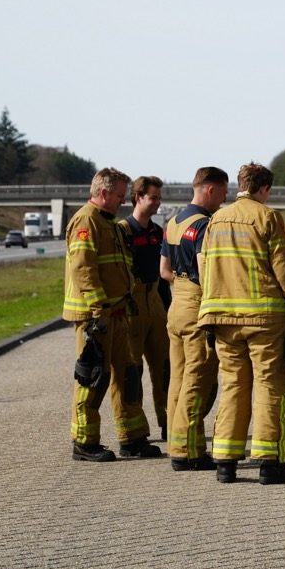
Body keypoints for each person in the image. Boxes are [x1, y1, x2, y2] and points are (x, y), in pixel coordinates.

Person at [197, 163, 285, 485]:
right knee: (270, 385)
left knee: (233, 385)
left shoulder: (215, 220)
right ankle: (269, 462)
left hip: (222, 319)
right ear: (264, 189)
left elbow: (205, 266)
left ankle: (225, 462)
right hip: (263, 318)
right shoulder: (268, 217)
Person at [64, 167, 161, 462]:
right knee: (94, 377)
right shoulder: (86, 221)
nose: (123, 201)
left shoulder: (109, 224)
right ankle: (84, 441)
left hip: (117, 313)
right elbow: (84, 269)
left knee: (128, 375)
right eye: (119, 195)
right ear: (104, 193)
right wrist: (98, 310)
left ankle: (132, 438)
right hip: (97, 317)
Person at [159, 166, 229, 472]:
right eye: (224, 194)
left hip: (176, 306)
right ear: (210, 190)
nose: (223, 201)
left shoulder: (173, 221)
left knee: (178, 381)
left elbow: (163, 270)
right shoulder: (205, 224)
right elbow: (207, 272)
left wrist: (182, 284)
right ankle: (187, 452)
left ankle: (180, 445)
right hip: (198, 306)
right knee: (198, 383)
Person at [119, 175, 170, 442]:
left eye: (160, 198)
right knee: (132, 371)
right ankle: (133, 432)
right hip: (133, 305)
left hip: (156, 303)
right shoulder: (123, 231)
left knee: (165, 368)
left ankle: (168, 423)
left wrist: (168, 308)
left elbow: (163, 276)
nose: (158, 203)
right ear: (138, 197)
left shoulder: (156, 232)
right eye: (153, 197)